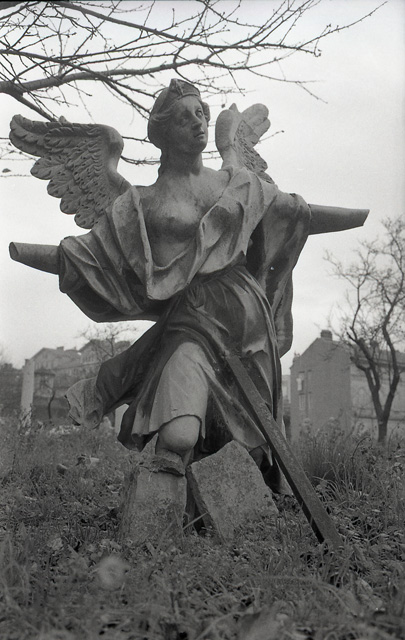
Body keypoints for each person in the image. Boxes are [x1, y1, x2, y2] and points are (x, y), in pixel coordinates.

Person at [9, 79, 368, 489]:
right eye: (184, 118)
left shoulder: (236, 182)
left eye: (200, 114)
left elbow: (291, 215)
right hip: (191, 323)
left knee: (252, 451)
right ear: (163, 134)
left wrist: (353, 217)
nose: (197, 123)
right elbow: (96, 257)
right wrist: (41, 255)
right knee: (178, 435)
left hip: (249, 326)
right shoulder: (141, 202)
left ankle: (228, 518)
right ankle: (154, 510)